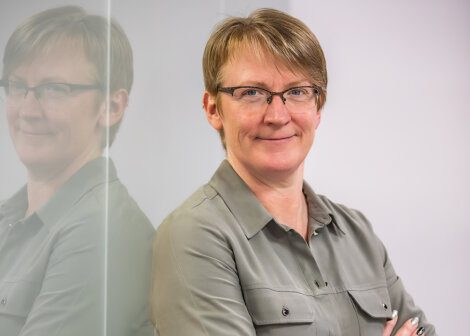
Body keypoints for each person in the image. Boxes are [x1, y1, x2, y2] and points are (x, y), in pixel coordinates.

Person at [151, 8, 437, 336]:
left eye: (297, 92)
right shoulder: (195, 236)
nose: (277, 115)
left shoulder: (356, 233)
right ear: (213, 109)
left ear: (318, 108)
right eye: (252, 93)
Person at [0, 6, 154, 336]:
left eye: (53, 88)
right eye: (16, 86)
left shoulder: (104, 234)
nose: (27, 109)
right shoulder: (10, 217)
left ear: (111, 107)